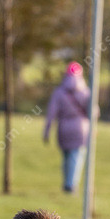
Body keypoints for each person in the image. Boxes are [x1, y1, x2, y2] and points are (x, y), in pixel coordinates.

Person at [43, 62, 90, 193]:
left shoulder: (59, 92)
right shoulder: (86, 91)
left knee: (66, 156)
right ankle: (71, 185)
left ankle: (67, 183)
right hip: (81, 128)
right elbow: (93, 112)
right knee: (77, 156)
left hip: (63, 128)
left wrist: (46, 131)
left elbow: (51, 113)